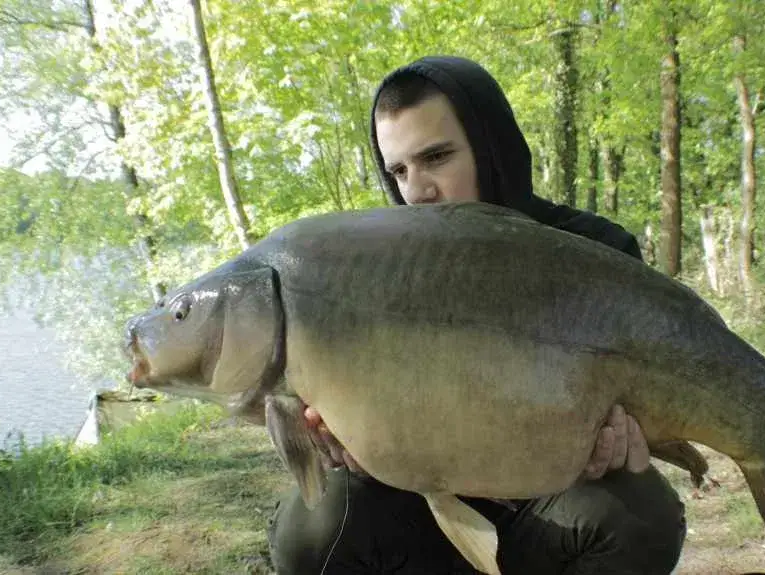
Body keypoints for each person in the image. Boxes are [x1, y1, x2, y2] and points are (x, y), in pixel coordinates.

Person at [266, 55, 687, 574]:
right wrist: (351, 445)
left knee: (642, 513)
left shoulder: (595, 251)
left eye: (436, 157)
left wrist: (625, 446)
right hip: (418, 510)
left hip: (550, 504)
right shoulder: (373, 276)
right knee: (310, 528)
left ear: (492, 148)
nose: (417, 190)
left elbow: (646, 406)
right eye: (399, 170)